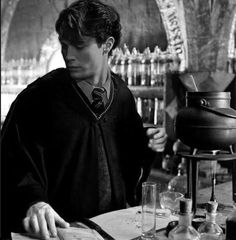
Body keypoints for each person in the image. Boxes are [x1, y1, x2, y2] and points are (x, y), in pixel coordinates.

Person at [1, 0, 167, 239]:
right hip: (62, 231)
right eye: (64, 45)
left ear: (106, 45)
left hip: (115, 228)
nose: (68, 55)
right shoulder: (37, 98)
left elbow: (129, 161)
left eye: (79, 45)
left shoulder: (122, 95)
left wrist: (149, 141)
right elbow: (12, 162)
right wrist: (33, 201)